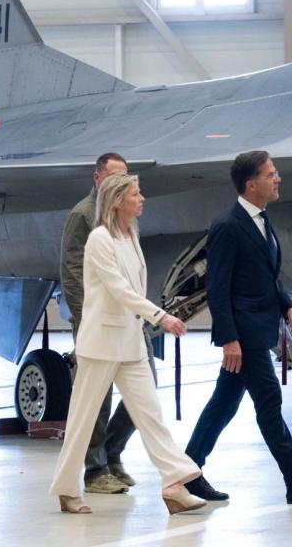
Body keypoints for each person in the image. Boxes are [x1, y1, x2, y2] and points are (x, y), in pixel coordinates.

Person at [49, 174, 205, 516]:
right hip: (101, 343)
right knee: (82, 420)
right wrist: (160, 316)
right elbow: (120, 290)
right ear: (118, 200)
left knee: (150, 415)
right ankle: (65, 489)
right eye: (136, 193)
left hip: (130, 342)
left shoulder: (130, 235)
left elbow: (132, 288)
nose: (143, 198)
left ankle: (174, 484)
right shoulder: (99, 240)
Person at [183, 150, 292, 505]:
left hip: (259, 328)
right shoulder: (228, 227)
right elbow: (218, 288)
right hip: (244, 335)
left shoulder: (261, 221)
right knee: (269, 400)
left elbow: (268, 276)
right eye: (271, 174)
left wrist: (289, 306)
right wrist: (229, 339)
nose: (277, 179)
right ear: (252, 184)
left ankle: (186, 472)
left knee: (224, 403)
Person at [59, 152, 148, 495]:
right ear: (97, 179)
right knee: (98, 399)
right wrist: (86, 321)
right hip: (96, 323)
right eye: (113, 177)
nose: (122, 184)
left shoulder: (125, 218)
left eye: (126, 176)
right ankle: (95, 471)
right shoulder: (84, 216)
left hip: (128, 322)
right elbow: (71, 272)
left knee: (144, 392)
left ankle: (111, 452)